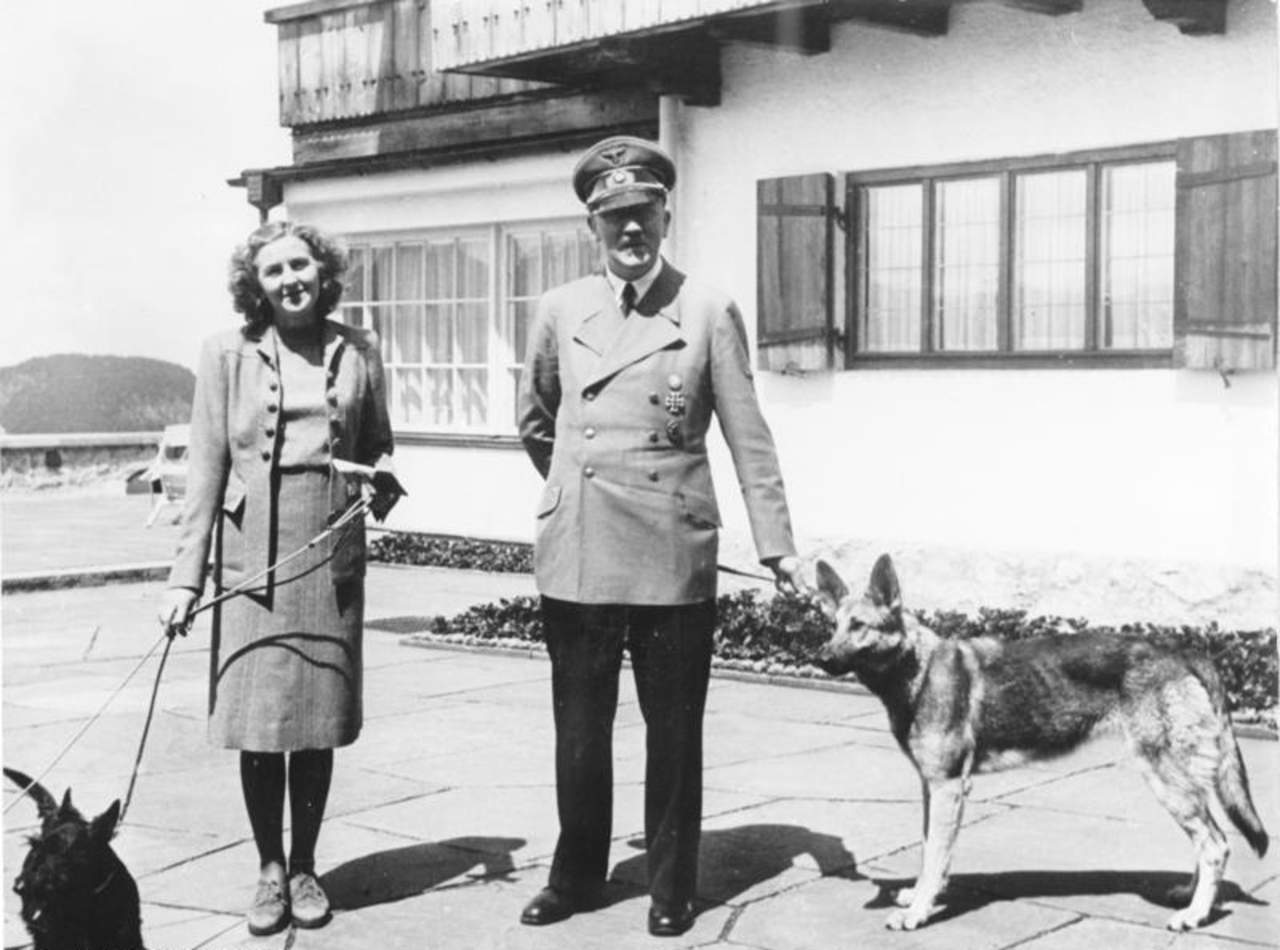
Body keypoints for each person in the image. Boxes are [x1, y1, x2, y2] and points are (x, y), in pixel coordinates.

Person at [517, 135, 804, 937]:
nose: (630, 230)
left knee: (673, 730)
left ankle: (672, 886)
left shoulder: (707, 308)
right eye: (614, 218)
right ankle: (575, 876)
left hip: (671, 552)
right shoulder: (559, 309)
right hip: (578, 548)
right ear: (592, 227)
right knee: (579, 730)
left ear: (665, 214)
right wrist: (577, 485)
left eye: (642, 213)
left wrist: (776, 545)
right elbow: (537, 422)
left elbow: (749, 436)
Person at [157, 221, 400, 936]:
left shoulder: (360, 349)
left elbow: (379, 441)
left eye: (301, 265)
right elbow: (205, 472)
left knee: (316, 720)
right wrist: (184, 581)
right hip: (250, 553)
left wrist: (380, 477)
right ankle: (268, 868)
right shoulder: (224, 354)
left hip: (328, 552)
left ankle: (305, 865)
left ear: (323, 272)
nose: (291, 278)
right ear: (255, 286)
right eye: (274, 271)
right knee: (260, 726)